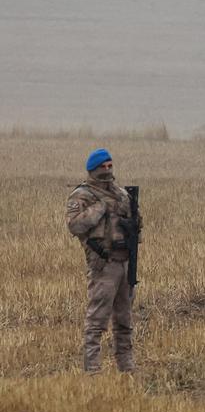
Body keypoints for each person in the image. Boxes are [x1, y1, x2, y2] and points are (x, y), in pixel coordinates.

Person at [65, 148, 141, 374]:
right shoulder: (82, 195)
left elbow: (137, 227)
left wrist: (134, 223)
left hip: (125, 262)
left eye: (110, 166)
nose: (107, 170)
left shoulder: (122, 194)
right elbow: (75, 225)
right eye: (103, 167)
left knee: (124, 319)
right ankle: (93, 370)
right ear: (93, 169)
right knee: (97, 320)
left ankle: (126, 367)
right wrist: (101, 208)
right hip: (103, 264)